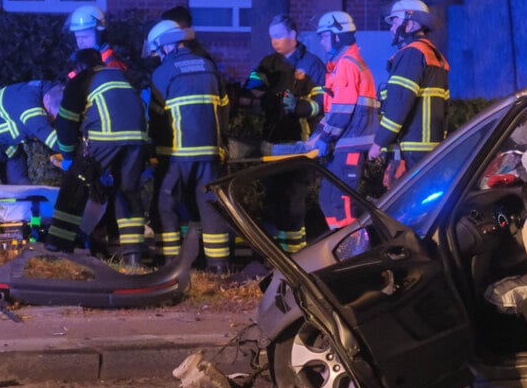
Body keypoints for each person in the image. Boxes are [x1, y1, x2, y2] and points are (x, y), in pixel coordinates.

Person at [45, 48, 149, 265]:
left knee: (75, 184)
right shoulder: (120, 75)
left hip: (105, 136)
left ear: (80, 67)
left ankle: (59, 248)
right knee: (127, 191)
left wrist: (68, 156)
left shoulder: (83, 79)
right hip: (138, 138)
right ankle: (133, 256)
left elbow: (65, 123)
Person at [146, 19, 232, 274]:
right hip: (211, 154)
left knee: (166, 205)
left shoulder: (163, 72)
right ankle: (219, 268)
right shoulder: (209, 66)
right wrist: (221, 145)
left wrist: (156, 153)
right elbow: (225, 108)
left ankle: (172, 266)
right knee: (209, 207)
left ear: (165, 47)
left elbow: (157, 119)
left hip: (177, 156)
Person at [245, 14, 327, 253]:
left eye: (279, 36)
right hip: (272, 142)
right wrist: (255, 86)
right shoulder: (268, 63)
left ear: (294, 35)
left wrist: (299, 107)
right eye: (271, 37)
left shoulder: (312, 64)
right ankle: (281, 255)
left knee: (293, 199)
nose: (275, 42)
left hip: (299, 142)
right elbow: (251, 83)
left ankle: (296, 255)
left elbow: (322, 103)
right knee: (275, 199)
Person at [305, 10, 379, 229]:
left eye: (325, 35)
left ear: (338, 35)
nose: (321, 40)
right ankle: (338, 245)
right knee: (328, 199)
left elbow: (342, 111)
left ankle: (352, 252)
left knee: (341, 202)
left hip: (351, 142)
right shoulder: (340, 65)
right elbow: (333, 112)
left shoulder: (347, 65)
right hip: (344, 142)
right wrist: (315, 137)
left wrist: (324, 139)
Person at [368, 0, 450, 180]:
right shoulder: (433, 55)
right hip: (431, 147)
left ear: (411, 23)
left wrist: (379, 142)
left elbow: (398, 105)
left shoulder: (411, 54)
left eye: (395, 21)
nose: (391, 28)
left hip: (412, 149)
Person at [0, 80, 64, 184]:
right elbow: (48, 135)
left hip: (10, 148)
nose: (51, 118)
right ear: (47, 98)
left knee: (22, 187)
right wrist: (73, 152)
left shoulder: (45, 90)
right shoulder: (28, 104)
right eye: (51, 114)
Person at [66, 5, 128, 74]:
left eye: (85, 37)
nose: (80, 42)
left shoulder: (112, 66)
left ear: (100, 35)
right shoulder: (83, 62)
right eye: (77, 37)